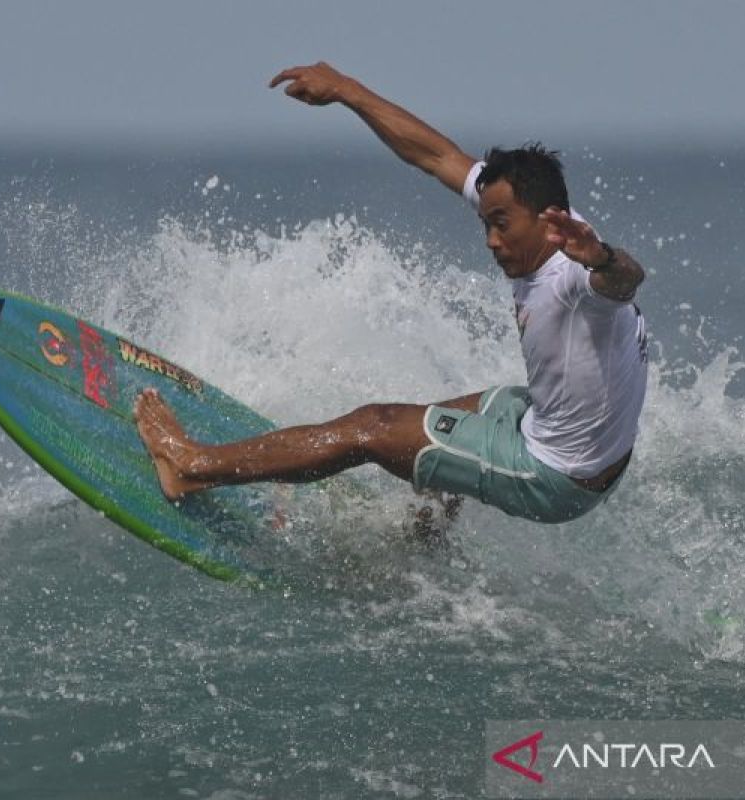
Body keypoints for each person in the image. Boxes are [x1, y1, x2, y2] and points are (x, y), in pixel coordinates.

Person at [134, 62, 649, 524]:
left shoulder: (575, 273)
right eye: (486, 221)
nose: (490, 239)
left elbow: (624, 280)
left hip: (555, 477)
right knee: (435, 420)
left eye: (500, 225)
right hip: (576, 443)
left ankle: (191, 466)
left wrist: (602, 257)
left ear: (545, 220)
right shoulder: (549, 217)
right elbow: (436, 155)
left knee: (372, 426)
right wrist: (348, 91)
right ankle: (425, 542)